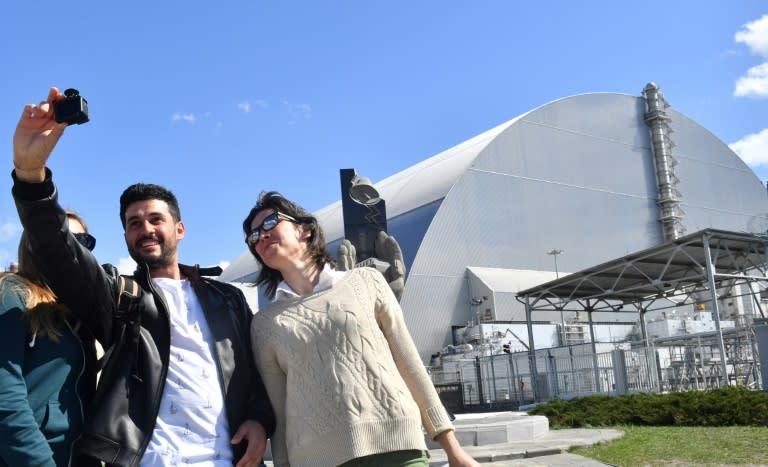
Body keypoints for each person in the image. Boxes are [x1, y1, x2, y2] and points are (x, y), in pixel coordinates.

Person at [12, 87, 275, 467]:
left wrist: (259, 418)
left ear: (179, 228)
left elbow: (258, 372)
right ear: (125, 237)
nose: (146, 229)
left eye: (156, 219)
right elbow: (58, 249)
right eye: (134, 224)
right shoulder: (120, 296)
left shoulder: (228, 299)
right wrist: (31, 175)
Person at [242, 191, 480, 467]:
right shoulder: (265, 324)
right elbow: (279, 412)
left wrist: (453, 449)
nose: (261, 236)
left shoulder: (367, 282)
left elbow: (410, 365)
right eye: (253, 237)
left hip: (398, 448)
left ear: (304, 229)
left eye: (270, 223)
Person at [0, 213, 99, 467]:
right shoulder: (11, 294)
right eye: (59, 238)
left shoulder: (82, 311)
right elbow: (5, 399)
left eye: (82, 241)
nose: (70, 247)